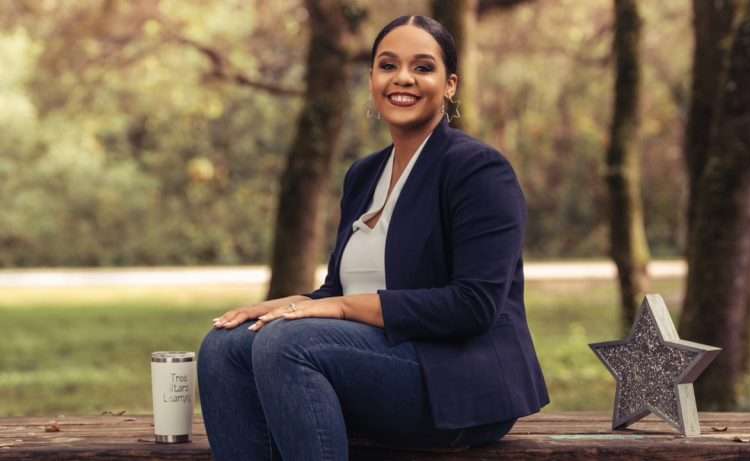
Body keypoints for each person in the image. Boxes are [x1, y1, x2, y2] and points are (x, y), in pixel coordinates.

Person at [197, 14, 549, 461]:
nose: (402, 78)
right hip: (372, 363)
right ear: (371, 79)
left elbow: (473, 306)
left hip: (457, 382)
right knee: (224, 346)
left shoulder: (478, 170)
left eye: (423, 67)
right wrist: (278, 307)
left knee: (285, 345)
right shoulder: (364, 175)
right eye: (388, 65)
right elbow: (339, 291)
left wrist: (338, 309)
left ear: (451, 85)